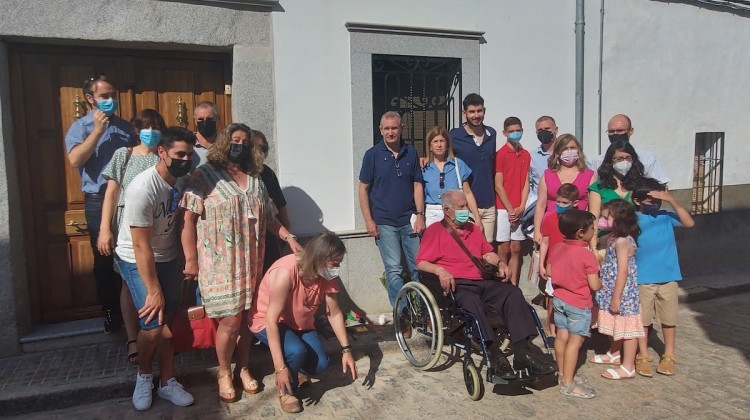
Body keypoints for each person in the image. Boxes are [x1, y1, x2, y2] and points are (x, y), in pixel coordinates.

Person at [181, 123, 302, 404]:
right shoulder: (205, 175)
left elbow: (270, 218)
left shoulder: (256, 178)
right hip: (219, 264)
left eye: (244, 142)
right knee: (231, 322)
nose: (239, 145)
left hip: (251, 262)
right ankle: (224, 372)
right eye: (234, 140)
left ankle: (243, 367)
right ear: (224, 142)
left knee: (247, 320)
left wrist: (290, 237)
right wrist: (190, 259)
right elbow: (188, 219)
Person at [416, 190, 556, 380]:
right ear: (447, 210)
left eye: (466, 205)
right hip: (458, 285)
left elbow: (487, 253)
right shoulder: (435, 231)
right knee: (472, 301)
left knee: (512, 293)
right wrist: (440, 270)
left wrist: (500, 263)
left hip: (482, 281)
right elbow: (421, 262)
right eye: (462, 207)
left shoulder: (473, 229)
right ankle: (494, 355)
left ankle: (523, 353)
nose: (467, 210)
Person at [114, 127, 196, 411]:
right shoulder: (142, 187)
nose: (185, 159)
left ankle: (167, 382)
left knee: (169, 322)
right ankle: (144, 376)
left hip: (168, 257)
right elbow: (140, 246)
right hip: (137, 258)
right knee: (151, 323)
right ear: (161, 152)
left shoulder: (183, 181)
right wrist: (153, 289)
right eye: (179, 154)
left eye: (189, 153)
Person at [249, 233, 358, 414]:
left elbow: (335, 313)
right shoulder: (285, 272)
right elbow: (271, 321)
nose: (337, 268)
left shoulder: (325, 274)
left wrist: (346, 350)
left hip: (300, 324)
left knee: (321, 364)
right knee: (296, 350)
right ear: (320, 258)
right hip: (267, 322)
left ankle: (297, 370)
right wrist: (279, 368)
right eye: (335, 263)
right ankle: (286, 390)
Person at [64, 75, 137, 333]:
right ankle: (110, 311)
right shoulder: (80, 128)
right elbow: (75, 160)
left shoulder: (125, 128)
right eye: (104, 96)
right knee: (104, 256)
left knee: (129, 253)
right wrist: (97, 131)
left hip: (124, 198)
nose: (110, 100)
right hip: (97, 199)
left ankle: (133, 309)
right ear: (90, 98)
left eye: (113, 95)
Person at [98, 109, 165, 364]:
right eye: (146, 127)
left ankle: (159, 336)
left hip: (159, 231)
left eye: (156, 126)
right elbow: (112, 194)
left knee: (157, 279)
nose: (151, 132)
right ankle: (133, 338)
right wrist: (105, 228)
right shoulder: (123, 155)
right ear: (137, 130)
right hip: (126, 231)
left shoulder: (164, 156)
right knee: (128, 282)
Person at [358, 111, 425, 309]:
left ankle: (422, 311)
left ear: (402, 128)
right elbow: (363, 188)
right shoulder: (372, 155)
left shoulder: (411, 152)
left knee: (419, 267)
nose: (390, 132)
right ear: (380, 130)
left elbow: (417, 185)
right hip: (384, 222)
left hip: (409, 220)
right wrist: (369, 221)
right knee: (394, 270)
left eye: (394, 128)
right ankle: (402, 315)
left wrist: (420, 216)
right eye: (386, 129)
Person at [631, 178, 695, 377]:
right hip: (642, 279)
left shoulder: (666, 216)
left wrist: (671, 200)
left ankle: (669, 355)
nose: (656, 204)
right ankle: (642, 354)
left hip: (668, 277)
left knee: (669, 319)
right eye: (651, 200)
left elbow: (689, 222)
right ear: (637, 201)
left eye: (659, 200)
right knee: (643, 320)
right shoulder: (632, 220)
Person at [546, 209, 601, 399]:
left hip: (559, 299)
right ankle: (568, 384)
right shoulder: (587, 256)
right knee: (575, 342)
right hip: (578, 303)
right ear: (580, 232)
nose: (595, 231)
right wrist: (600, 280)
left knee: (561, 337)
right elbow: (594, 284)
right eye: (592, 228)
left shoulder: (557, 248)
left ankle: (563, 373)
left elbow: (549, 271)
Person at [588, 199, 644, 380]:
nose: (603, 221)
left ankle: (628, 366)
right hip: (612, 289)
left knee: (628, 330)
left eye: (607, 217)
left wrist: (616, 297)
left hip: (623, 294)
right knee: (618, 326)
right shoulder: (614, 238)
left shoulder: (622, 242)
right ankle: (614, 353)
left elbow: (623, 270)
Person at [449, 93, 498, 243]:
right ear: (464, 114)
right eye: (471, 112)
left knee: (487, 251)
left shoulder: (492, 134)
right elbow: (442, 158)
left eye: (479, 111)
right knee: (467, 250)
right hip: (465, 206)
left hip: (488, 203)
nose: (476, 115)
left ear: (484, 111)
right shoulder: (454, 136)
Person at [532, 134, 596, 244]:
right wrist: (537, 231)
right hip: (551, 227)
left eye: (572, 148)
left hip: (578, 229)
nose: (569, 151)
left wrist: (592, 236)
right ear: (558, 152)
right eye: (565, 148)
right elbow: (541, 205)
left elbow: (593, 209)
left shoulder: (589, 176)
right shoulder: (547, 175)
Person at [538, 183, 581, 339]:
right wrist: (541, 265)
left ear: (575, 203)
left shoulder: (579, 221)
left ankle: (569, 331)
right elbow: (545, 242)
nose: (560, 205)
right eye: (558, 202)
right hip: (553, 266)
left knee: (569, 300)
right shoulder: (550, 219)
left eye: (564, 203)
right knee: (551, 298)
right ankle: (551, 331)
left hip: (572, 267)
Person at [421, 125, 482, 229]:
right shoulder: (424, 167)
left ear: (447, 144)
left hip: (455, 212)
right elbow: (420, 195)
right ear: (430, 146)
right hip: (433, 214)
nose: (439, 145)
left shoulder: (458, 164)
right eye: (435, 141)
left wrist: (477, 217)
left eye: (442, 141)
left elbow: (467, 192)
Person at [494, 116, 531, 286]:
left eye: (518, 130)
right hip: (503, 208)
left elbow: (525, 182)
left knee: (516, 247)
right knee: (504, 248)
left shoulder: (525, 154)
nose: (515, 134)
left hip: (518, 207)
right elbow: (499, 185)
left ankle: (514, 285)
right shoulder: (500, 154)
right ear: (504, 133)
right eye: (511, 131)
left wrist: (522, 206)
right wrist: (510, 209)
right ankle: (503, 283)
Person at [252, 129, 293, 273]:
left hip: (270, 235)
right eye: (257, 148)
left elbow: (280, 204)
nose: (261, 152)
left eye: (264, 148)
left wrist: (287, 233)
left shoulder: (267, 173)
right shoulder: (239, 174)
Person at [588, 114, 669, 183]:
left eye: (620, 131)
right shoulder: (598, 161)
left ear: (631, 131)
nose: (615, 134)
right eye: (611, 131)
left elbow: (660, 185)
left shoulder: (647, 158)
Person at [588, 140, 646, 222]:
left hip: (635, 232)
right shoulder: (599, 186)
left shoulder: (641, 184)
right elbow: (594, 218)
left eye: (628, 158)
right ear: (610, 161)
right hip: (606, 234)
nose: (625, 162)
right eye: (619, 159)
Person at [529, 116, 558, 201]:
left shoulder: (566, 153)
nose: (543, 132)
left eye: (547, 128)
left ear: (556, 130)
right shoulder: (532, 156)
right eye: (540, 130)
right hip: (539, 203)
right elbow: (528, 182)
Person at [191, 101, 220, 169]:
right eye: (200, 119)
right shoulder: (189, 145)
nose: (205, 122)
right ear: (195, 121)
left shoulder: (225, 145)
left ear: (218, 119)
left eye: (209, 119)